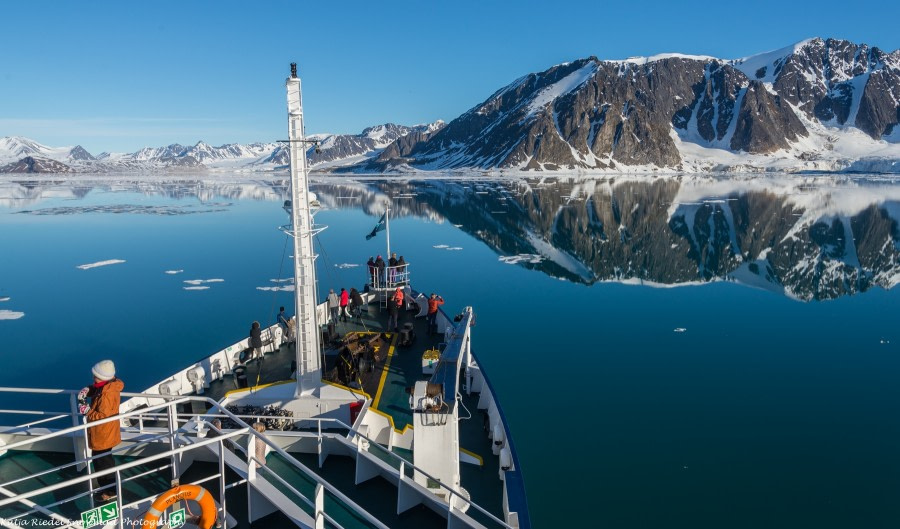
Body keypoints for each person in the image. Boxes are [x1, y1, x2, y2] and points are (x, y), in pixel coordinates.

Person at [83, 360, 124, 503]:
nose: (93, 379)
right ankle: (109, 489)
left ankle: (110, 491)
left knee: (102, 464)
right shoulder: (109, 387)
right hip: (107, 432)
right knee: (104, 461)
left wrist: (87, 411)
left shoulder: (107, 395)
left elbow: (102, 416)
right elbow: (99, 390)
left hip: (103, 434)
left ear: (103, 378)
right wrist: (89, 389)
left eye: (96, 377)